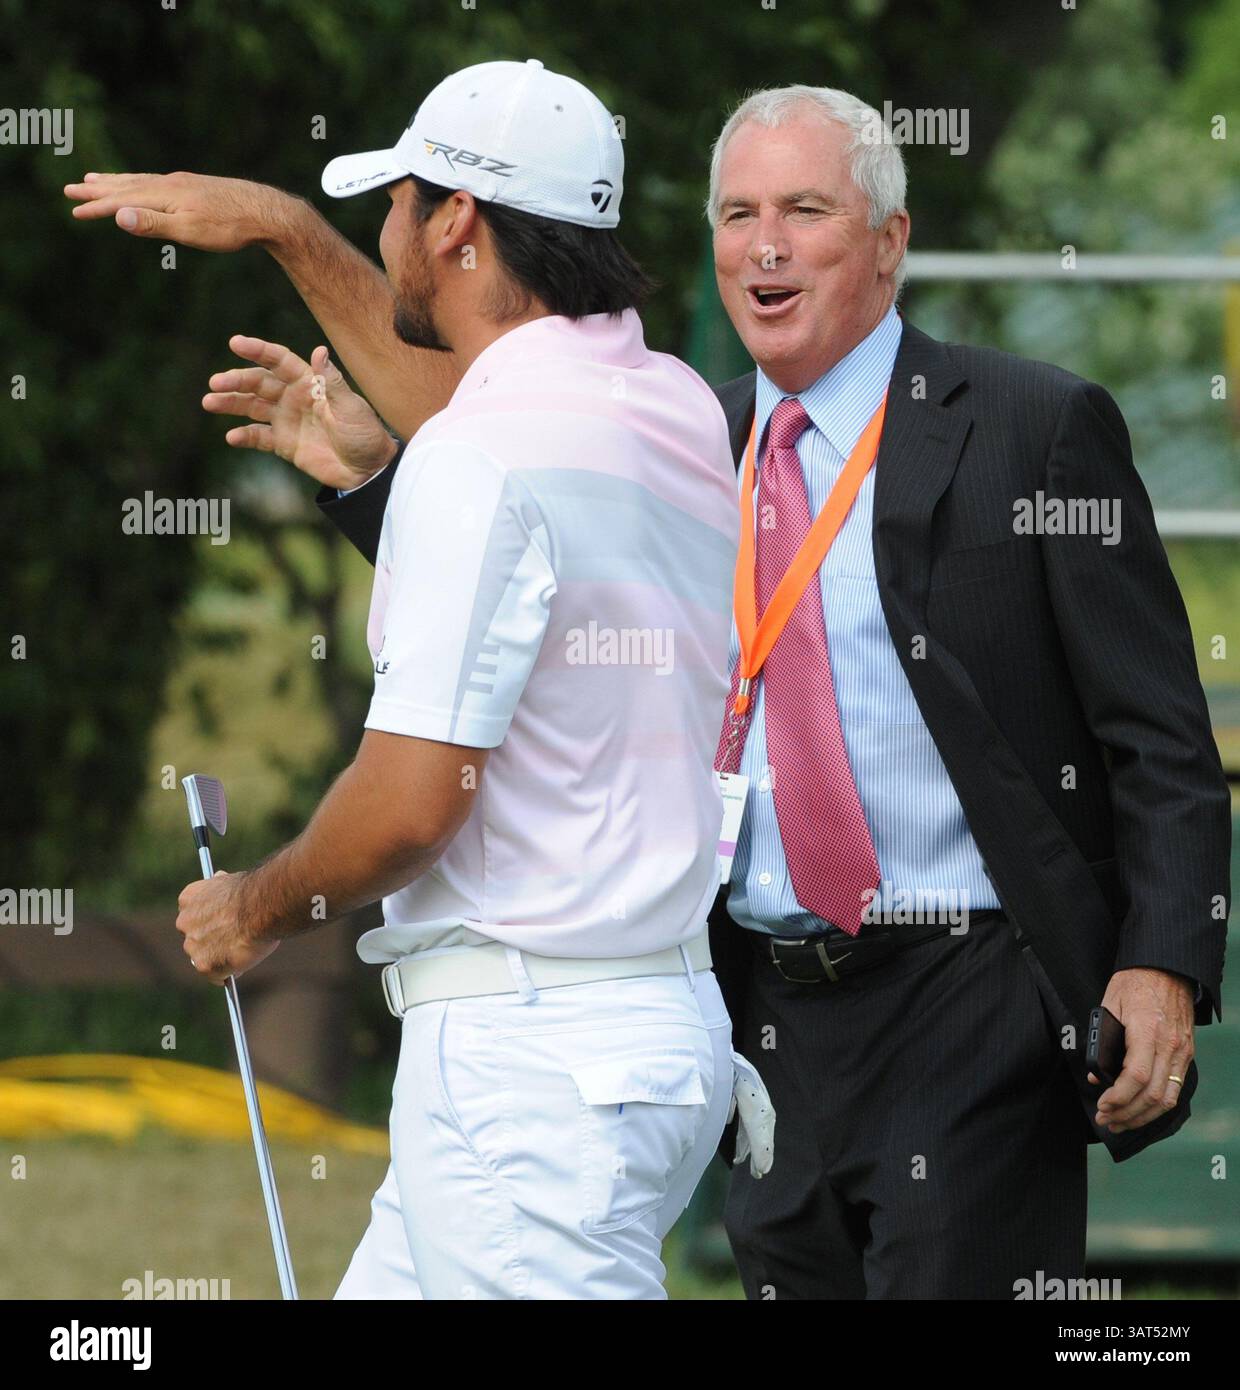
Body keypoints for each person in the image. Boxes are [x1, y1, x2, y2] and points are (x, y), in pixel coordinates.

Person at [68, 78, 1230, 1301]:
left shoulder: (1029, 428)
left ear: (889, 242)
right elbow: (516, 493)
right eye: (736, 212)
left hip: (954, 996)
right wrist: (364, 445)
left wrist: (1159, 958)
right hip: (756, 1008)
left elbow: (1154, 731)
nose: (763, 244)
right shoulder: (683, 415)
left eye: (804, 211)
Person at [71, 59, 770, 1301]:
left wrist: (256, 906)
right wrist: (294, 233)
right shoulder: (664, 407)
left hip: (527, 1067)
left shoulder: (483, 456)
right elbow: (491, 418)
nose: (385, 229)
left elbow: (406, 806)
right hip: (645, 1043)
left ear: (453, 223)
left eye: (394, 202)